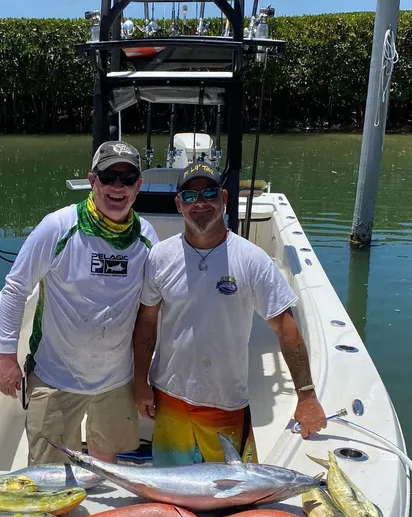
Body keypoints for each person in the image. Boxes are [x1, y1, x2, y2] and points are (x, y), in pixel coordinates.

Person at [133, 160, 327, 466]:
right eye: (189, 197)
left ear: (224, 199)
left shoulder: (252, 260)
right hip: (169, 398)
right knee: (173, 494)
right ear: (178, 205)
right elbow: (146, 325)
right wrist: (141, 382)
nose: (200, 204)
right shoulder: (160, 256)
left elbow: (286, 330)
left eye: (209, 193)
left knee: (236, 498)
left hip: (225, 402)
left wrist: (306, 396)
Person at [0, 141, 157, 464]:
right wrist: (6, 357)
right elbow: (15, 287)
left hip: (115, 379)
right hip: (57, 376)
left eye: (127, 179)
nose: (117, 187)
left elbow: (150, 313)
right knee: (49, 475)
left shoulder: (147, 239)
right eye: (108, 177)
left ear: (138, 187)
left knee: (105, 464)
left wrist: (143, 380)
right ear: (92, 180)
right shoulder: (58, 228)